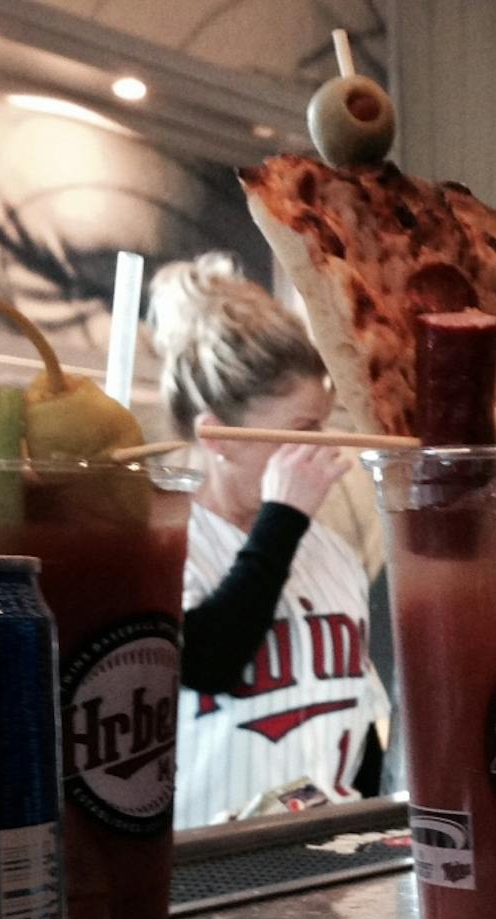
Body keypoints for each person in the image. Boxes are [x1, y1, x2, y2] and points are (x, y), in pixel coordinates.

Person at [148, 253, 389, 830]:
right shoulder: (165, 544)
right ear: (219, 437)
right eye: (303, 430)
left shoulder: (326, 548)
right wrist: (281, 517)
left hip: (324, 859)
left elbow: (358, 721)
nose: (325, 448)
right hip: (203, 866)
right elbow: (206, 661)